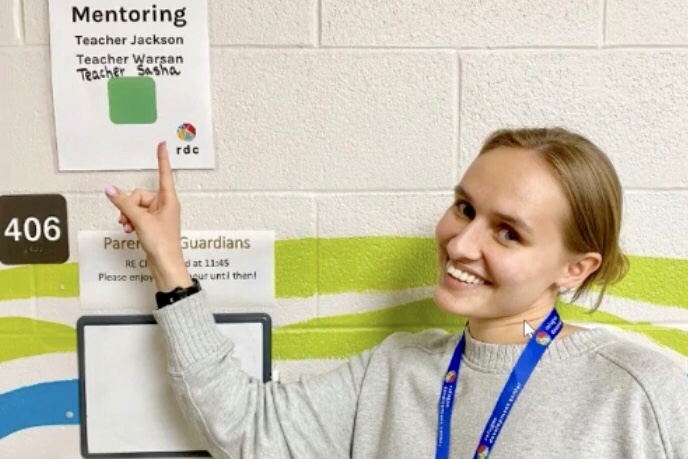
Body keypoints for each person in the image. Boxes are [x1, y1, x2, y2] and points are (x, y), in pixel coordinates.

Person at [105, 127, 688, 459]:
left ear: (575, 268)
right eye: (465, 208)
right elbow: (243, 425)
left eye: (508, 232)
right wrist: (168, 262)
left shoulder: (643, 395)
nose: (461, 243)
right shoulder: (392, 373)